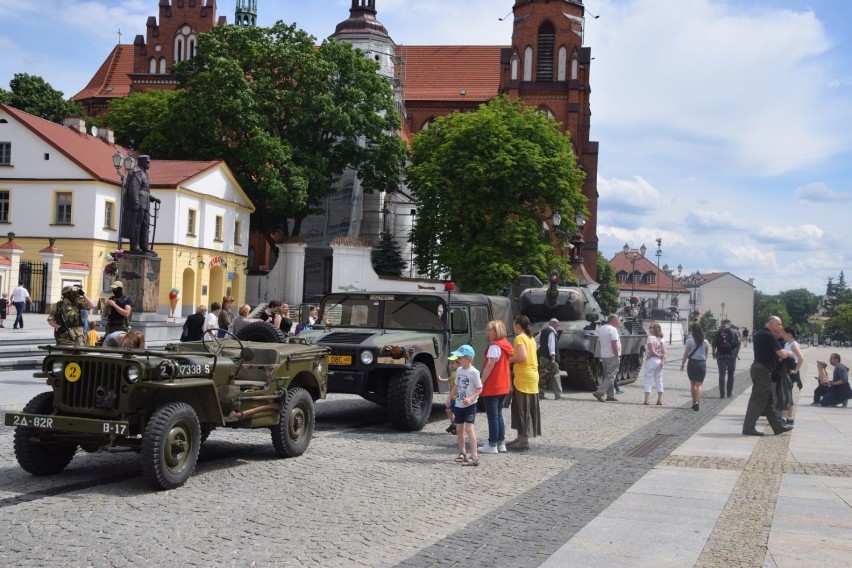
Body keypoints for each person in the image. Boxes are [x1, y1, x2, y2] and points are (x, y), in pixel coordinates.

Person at [742, 316, 793, 436]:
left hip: (760, 369)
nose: (781, 326)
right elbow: (781, 353)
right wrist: (790, 353)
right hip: (762, 371)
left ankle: (778, 427)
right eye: (779, 324)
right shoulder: (768, 335)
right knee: (757, 399)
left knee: (768, 400)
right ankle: (748, 428)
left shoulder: (761, 334)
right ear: (771, 323)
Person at [478, 320, 514, 454]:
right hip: (503, 385)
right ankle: (501, 443)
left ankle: (492, 444)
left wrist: (481, 382)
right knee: (498, 415)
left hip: (493, 385)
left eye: (489, 330)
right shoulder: (505, 345)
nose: (487, 333)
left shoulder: (495, 347)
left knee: (492, 416)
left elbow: (489, 366)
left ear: (496, 331)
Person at [508, 315, 541, 449]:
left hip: (523, 378)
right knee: (525, 408)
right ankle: (521, 437)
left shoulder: (520, 337)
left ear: (518, 326)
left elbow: (522, 357)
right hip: (532, 376)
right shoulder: (530, 337)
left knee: (522, 408)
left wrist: (509, 360)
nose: (513, 327)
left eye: (514, 324)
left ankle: (524, 440)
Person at [447, 344, 482, 467]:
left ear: (468, 359)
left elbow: (479, 389)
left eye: (460, 357)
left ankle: (474, 456)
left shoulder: (474, 372)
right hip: (459, 404)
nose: (458, 359)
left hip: (470, 405)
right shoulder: (459, 370)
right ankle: (462, 452)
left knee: (469, 429)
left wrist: (471, 398)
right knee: (459, 429)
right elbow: (456, 386)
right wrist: (449, 397)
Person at [122, 155, 160, 254]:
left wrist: (153, 198)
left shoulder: (144, 174)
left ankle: (144, 246)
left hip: (145, 203)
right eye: (147, 162)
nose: (149, 164)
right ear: (141, 162)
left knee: (146, 225)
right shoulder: (137, 172)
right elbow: (134, 188)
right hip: (139, 203)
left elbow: (145, 190)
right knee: (136, 225)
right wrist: (135, 202)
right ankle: (134, 246)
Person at [593, 314, 622, 402]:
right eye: (617, 320)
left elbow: (600, 342)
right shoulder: (612, 329)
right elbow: (614, 344)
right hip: (612, 356)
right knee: (611, 376)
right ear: (613, 320)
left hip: (604, 354)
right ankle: (599, 392)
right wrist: (616, 355)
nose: (618, 322)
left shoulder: (602, 328)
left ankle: (610, 395)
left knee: (608, 376)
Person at [681, 323, 710, 411]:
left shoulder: (689, 341)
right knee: (699, 385)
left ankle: (694, 402)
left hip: (692, 363)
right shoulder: (705, 341)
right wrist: (704, 360)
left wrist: (682, 364)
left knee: (693, 384)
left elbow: (686, 354)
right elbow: (706, 353)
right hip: (701, 364)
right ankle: (697, 402)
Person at [778, 327, 804, 424]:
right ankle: (789, 417)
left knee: (787, 393)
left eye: (784, 333)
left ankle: (785, 417)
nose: (782, 335)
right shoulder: (787, 344)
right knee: (787, 393)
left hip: (790, 370)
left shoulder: (793, 344)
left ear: (789, 334)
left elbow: (801, 358)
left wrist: (796, 370)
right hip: (786, 369)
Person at [712, 319, 740, 398]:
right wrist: (736, 353)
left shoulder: (718, 332)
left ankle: (722, 393)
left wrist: (713, 353)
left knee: (722, 375)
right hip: (731, 356)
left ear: (722, 324)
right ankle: (729, 393)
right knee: (731, 374)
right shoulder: (735, 331)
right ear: (729, 323)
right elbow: (738, 343)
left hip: (721, 356)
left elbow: (714, 344)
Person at [538, 318, 562, 400]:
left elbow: (535, 340)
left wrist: (540, 350)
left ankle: (540, 393)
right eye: (557, 324)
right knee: (556, 374)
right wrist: (553, 358)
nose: (558, 326)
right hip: (549, 357)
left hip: (542, 356)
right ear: (553, 324)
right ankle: (558, 394)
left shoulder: (543, 331)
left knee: (543, 374)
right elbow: (551, 345)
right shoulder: (552, 332)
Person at [643, 322, 666, 405]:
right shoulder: (661, 339)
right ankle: (659, 400)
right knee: (659, 380)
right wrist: (662, 360)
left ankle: (646, 399)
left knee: (648, 379)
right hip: (659, 361)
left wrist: (658, 355)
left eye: (650, 327)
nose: (649, 328)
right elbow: (665, 352)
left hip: (651, 360)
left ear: (655, 329)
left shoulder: (650, 338)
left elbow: (651, 350)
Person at [440, 354, 460, 435]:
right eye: (451, 363)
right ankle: (454, 424)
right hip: (452, 398)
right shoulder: (453, 373)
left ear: (459, 364)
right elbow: (448, 380)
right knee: (448, 410)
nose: (451, 365)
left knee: (456, 412)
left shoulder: (459, 373)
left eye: (453, 363)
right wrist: (440, 380)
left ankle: (457, 426)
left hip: (457, 398)